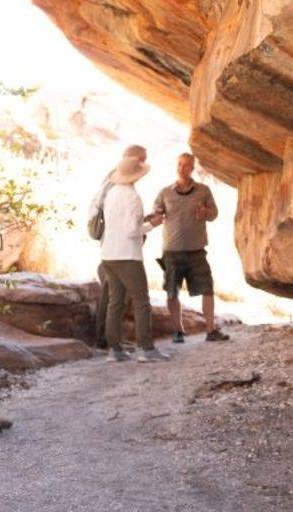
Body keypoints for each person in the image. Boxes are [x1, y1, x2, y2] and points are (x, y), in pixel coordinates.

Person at [153, 153, 229, 343]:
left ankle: (211, 331)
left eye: (186, 165)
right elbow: (156, 214)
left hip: (196, 250)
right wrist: (154, 218)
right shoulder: (165, 192)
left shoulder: (203, 191)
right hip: (171, 251)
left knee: (207, 289)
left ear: (192, 167)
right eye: (179, 164)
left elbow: (214, 214)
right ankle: (178, 331)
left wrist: (205, 212)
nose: (182, 168)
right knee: (172, 292)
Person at [100, 153, 168, 363]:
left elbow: (119, 223)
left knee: (115, 302)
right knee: (141, 301)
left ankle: (114, 350)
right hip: (127, 255)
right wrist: (152, 225)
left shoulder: (112, 193)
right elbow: (131, 231)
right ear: (136, 176)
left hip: (108, 254)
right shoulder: (133, 196)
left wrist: (143, 219)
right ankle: (145, 349)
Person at [92, 144, 146, 349]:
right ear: (132, 159)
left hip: (112, 247)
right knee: (114, 297)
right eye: (142, 159)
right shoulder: (119, 186)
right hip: (119, 248)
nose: (144, 164)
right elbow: (127, 225)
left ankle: (111, 341)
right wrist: (147, 225)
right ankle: (105, 340)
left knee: (115, 297)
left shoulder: (114, 181)